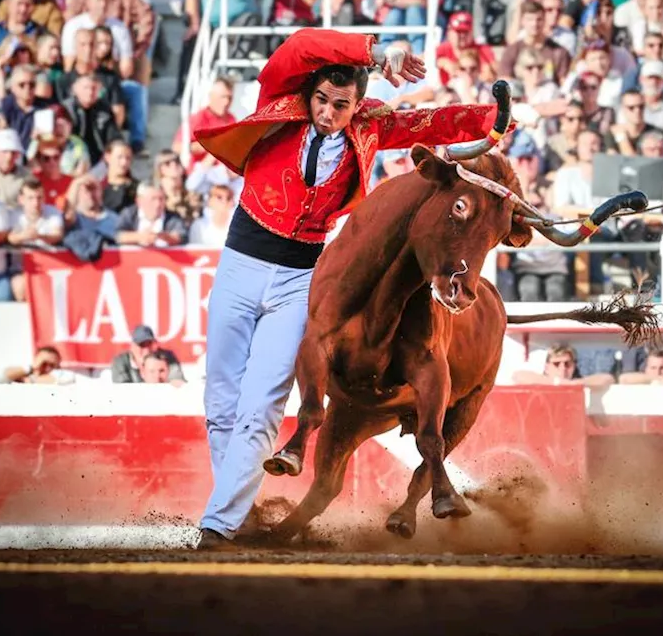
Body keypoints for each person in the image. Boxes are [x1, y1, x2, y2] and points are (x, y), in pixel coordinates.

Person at [190, 29, 503, 549]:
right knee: (221, 401)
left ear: (357, 105)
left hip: (298, 279)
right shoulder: (279, 103)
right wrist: (373, 53)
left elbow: (427, 123)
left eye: (342, 104)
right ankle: (235, 511)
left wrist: (492, 120)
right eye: (322, 100)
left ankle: (218, 525)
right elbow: (299, 46)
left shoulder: (367, 130)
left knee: (264, 404)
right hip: (239, 266)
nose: (329, 113)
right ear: (309, 94)